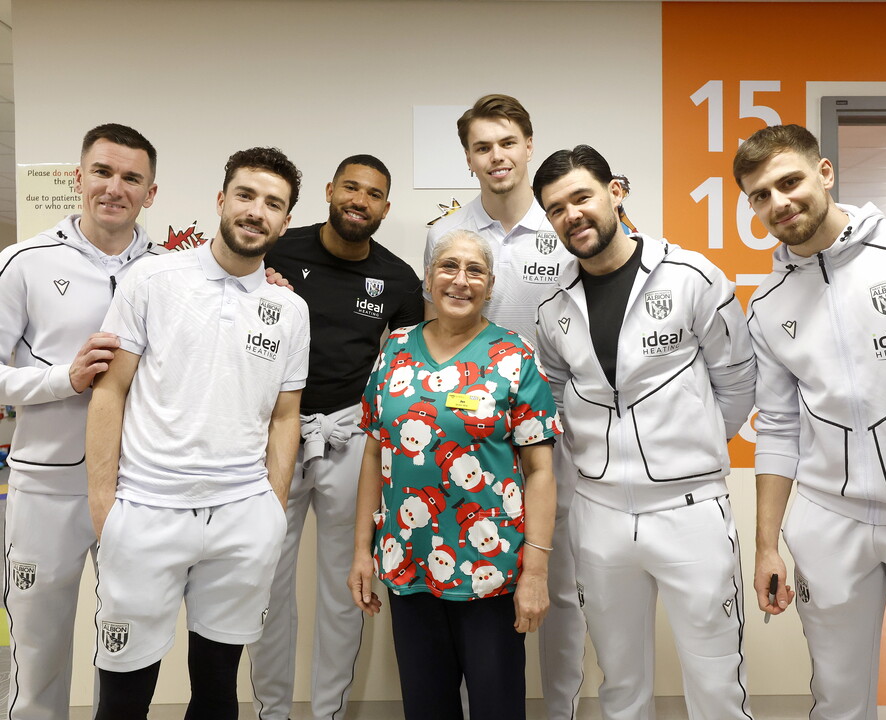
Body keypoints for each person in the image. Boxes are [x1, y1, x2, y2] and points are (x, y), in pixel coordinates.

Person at [735, 124, 886, 720]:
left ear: (825, 173)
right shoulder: (767, 303)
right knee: (836, 700)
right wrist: (766, 548)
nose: (779, 203)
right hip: (828, 521)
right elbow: (778, 427)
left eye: (790, 182)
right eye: (760, 195)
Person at [85, 147, 309, 720]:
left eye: (273, 203)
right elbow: (110, 391)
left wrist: (273, 510)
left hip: (241, 518)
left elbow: (286, 417)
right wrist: (104, 508)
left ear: (285, 220)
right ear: (221, 200)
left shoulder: (289, 309)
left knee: (216, 687)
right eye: (246, 195)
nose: (257, 211)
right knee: (124, 692)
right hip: (147, 511)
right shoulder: (154, 278)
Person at [533, 145, 756, 720]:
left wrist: (688, 448)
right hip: (600, 513)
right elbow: (557, 395)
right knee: (620, 682)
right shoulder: (555, 308)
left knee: (715, 680)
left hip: (689, 509)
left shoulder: (692, 276)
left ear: (616, 191)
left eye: (581, 197)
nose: (572, 215)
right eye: (556, 209)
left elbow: (735, 384)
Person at [348, 228, 559, 720]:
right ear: (428, 278)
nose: (460, 280)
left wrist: (536, 571)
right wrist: (361, 550)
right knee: (425, 708)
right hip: (408, 566)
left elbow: (542, 471)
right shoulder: (396, 349)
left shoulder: (515, 356)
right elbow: (373, 455)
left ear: (490, 285)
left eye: (475, 270)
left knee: (496, 707)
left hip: (491, 572)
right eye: (448, 266)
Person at [423, 94, 584, 720]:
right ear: (468, 158)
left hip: (562, 435)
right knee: (468, 584)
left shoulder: (564, 225)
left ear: (528, 146)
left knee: (557, 585)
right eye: (483, 146)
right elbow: (438, 326)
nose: (497, 157)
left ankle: (561, 709)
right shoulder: (447, 232)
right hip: (473, 440)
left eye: (507, 142)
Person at [248, 154, 423, 720]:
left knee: (347, 582)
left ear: (385, 208)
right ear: (329, 190)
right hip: (272, 437)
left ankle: (327, 713)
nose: (359, 200)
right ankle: (273, 711)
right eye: (351, 187)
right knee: (266, 583)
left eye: (373, 194)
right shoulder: (277, 250)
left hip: (348, 438)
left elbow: (409, 364)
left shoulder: (398, 279)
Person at [0, 123, 160, 720]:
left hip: (139, 490)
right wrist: (58, 379)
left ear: (150, 191)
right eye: (103, 172)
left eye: (131, 178)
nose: (114, 187)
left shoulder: (172, 273)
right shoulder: (22, 263)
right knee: (38, 651)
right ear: (79, 177)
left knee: (125, 649)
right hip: (48, 488)